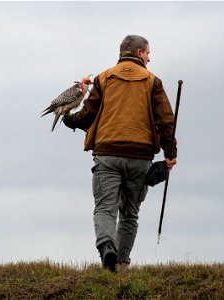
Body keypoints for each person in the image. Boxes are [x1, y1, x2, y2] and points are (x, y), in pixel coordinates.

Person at [62, 35, 177, 272]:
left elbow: (88, 113)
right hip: (140, 157)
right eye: (147, 52)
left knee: (105, 208)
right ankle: (122, 264)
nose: (149, 57)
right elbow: (166, 121)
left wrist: (71, 120)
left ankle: (106, 249)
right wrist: (170, 153)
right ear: (137, 52)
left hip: (107, 154)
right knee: (130, 212)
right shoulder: (153, 81)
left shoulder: (104, 78)